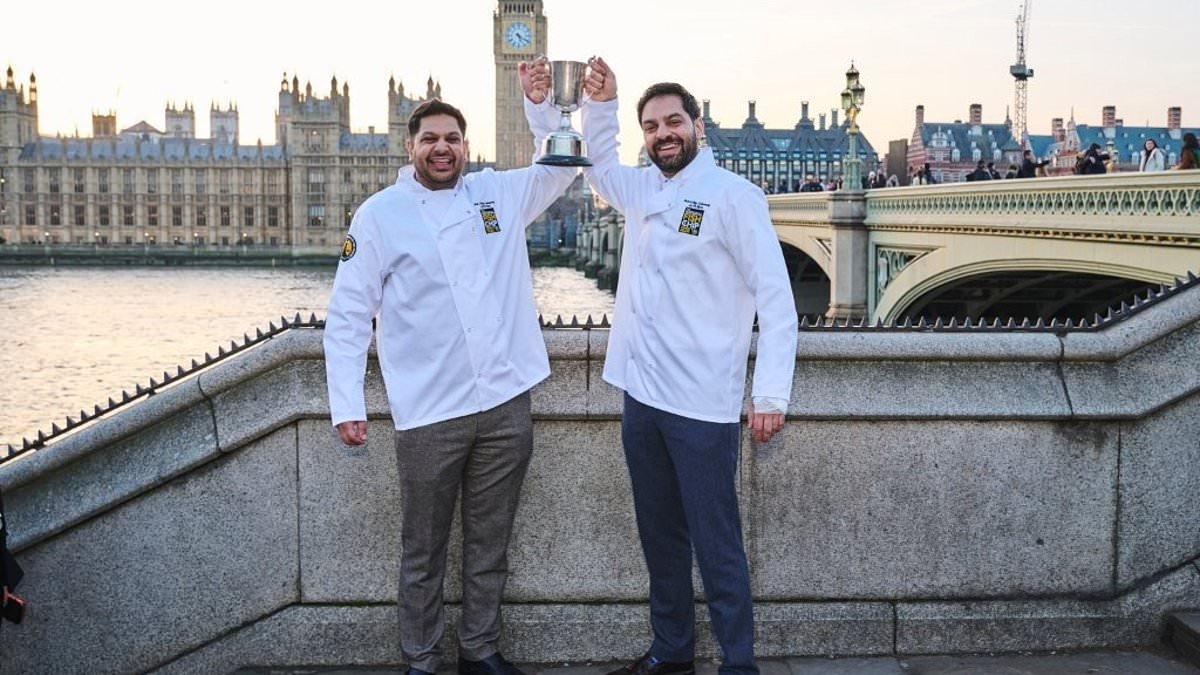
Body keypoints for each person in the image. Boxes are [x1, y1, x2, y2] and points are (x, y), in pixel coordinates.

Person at [323, 59, 576, 675]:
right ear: (409, 147)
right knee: (423, 550)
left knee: (490, 544)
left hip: (504, 402)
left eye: (453, 139)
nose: (443, 148)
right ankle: (421, 659)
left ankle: (481, 650)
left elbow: (563, 165)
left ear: (466, 146)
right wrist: (348, 403)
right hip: (430, 411)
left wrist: (542, 107)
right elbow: (349, 313)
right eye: (430, 139)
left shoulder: (496, 193)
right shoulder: (379, 214)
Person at [580, 58, 798, 675]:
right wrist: (603, 105)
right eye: (650, 126)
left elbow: (778, 302)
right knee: (661, 539)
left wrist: (771, 395)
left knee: (717, 543)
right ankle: (671, 653)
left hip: (702, 402)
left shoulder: (735, 197)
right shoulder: (644, 188)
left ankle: (739, 664)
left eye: (673, 121)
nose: (661, 134)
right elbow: (596, 169)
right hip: (641, 396)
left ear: (697, 125)